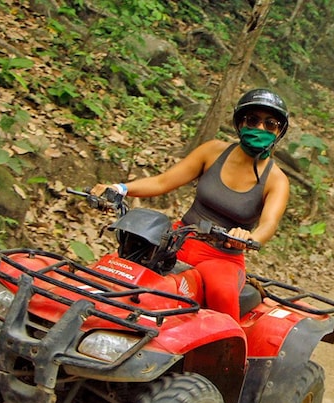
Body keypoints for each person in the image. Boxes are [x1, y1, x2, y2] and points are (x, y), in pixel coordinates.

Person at [91, 88, 291, 321]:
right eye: (252, 120)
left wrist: (249, 238)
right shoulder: (212, 152)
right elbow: (163, 181)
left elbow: (269, 223)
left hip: (222, 256)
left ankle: (230, 356)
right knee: (119, 269)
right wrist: (120, 189)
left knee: (221, 295)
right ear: (240, 123)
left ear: (279, 131)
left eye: (270, 124)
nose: (260, 128)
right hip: (176, 240)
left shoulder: (276, 180)